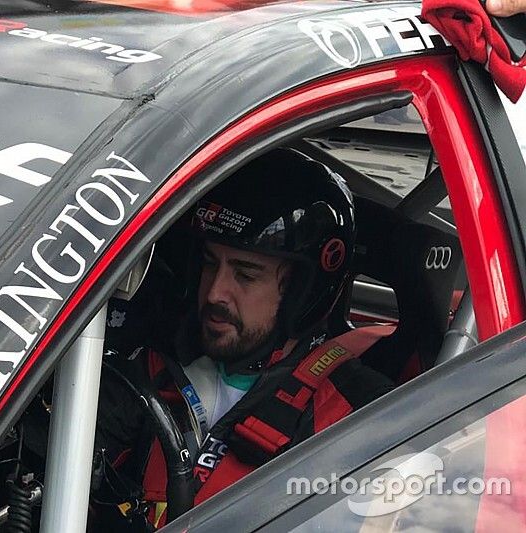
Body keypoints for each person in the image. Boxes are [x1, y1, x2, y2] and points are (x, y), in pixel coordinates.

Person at [94, 148, 395, 530]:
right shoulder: (150, 364)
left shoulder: (360, 416)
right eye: (209, 263)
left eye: (246, 275)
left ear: (301, 292)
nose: (215, 292)